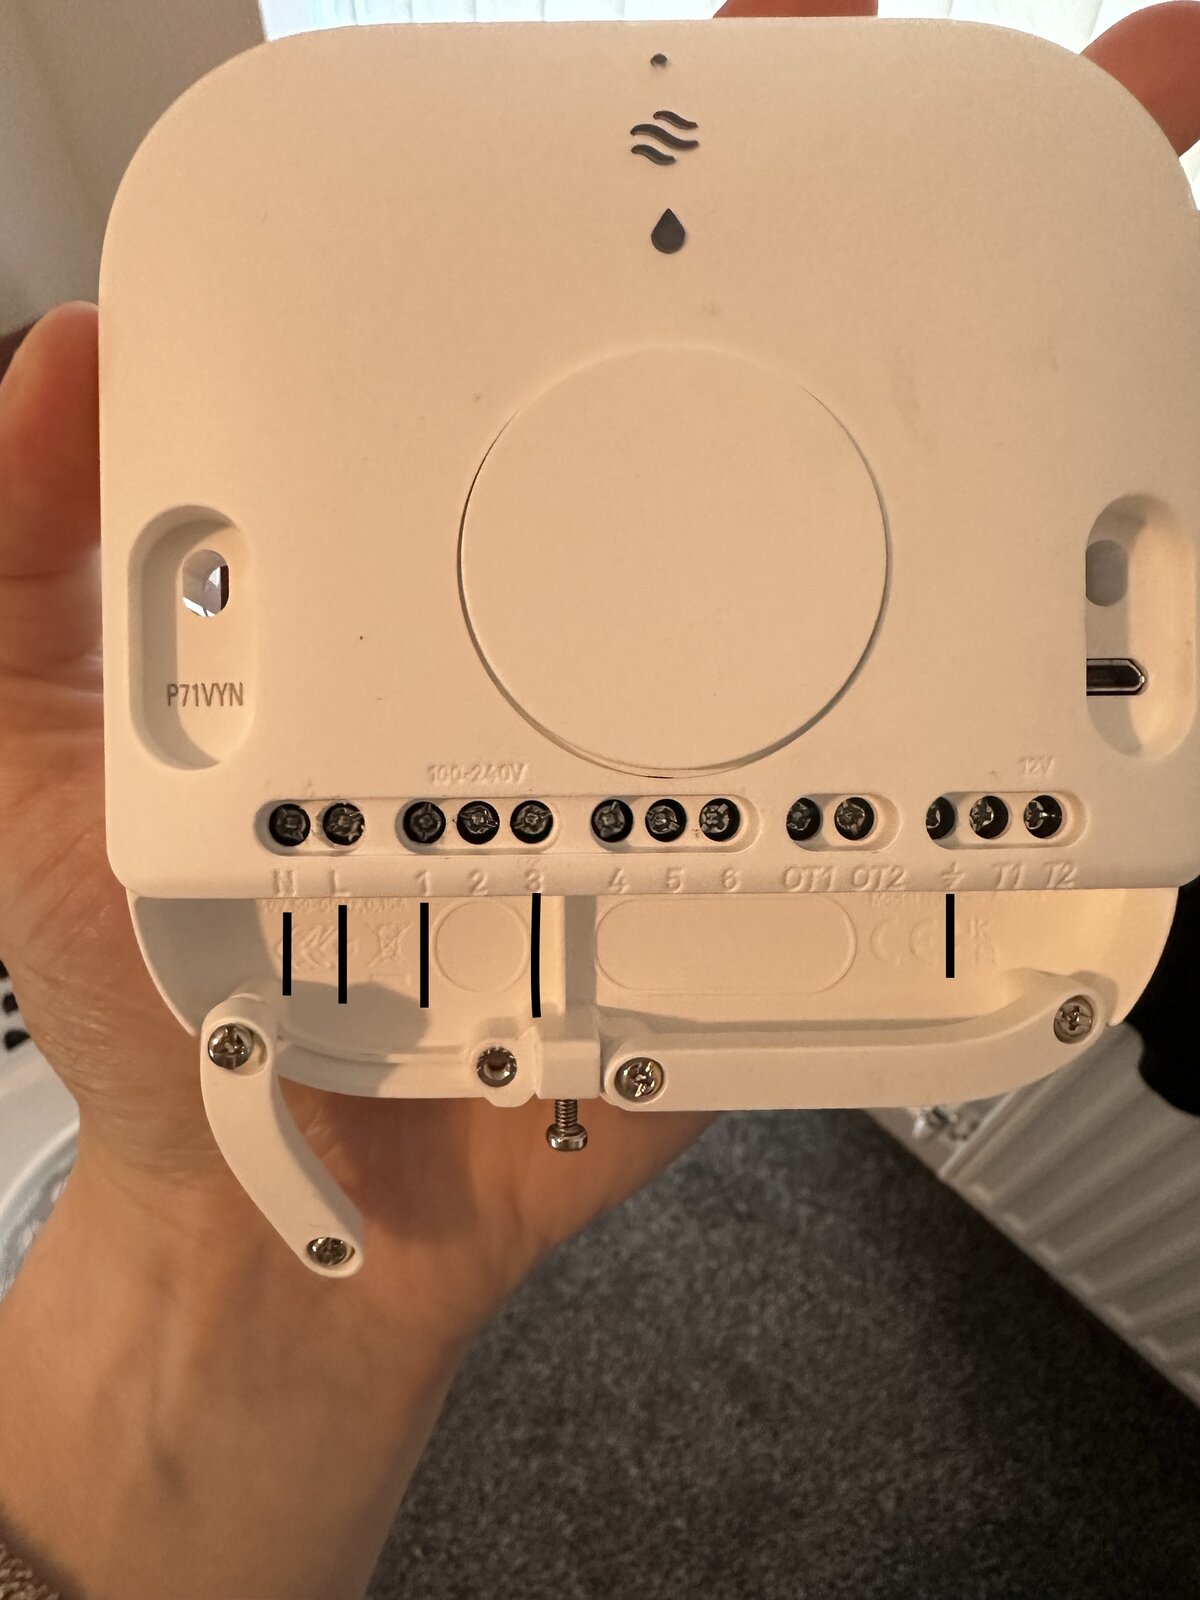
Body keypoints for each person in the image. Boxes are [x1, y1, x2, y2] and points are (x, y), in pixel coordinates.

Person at [0, 3, 1197, 1596]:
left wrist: (204, 1251)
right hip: (325, 990)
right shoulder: (250, 174)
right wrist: (211, 1223)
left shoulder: (253, 157)